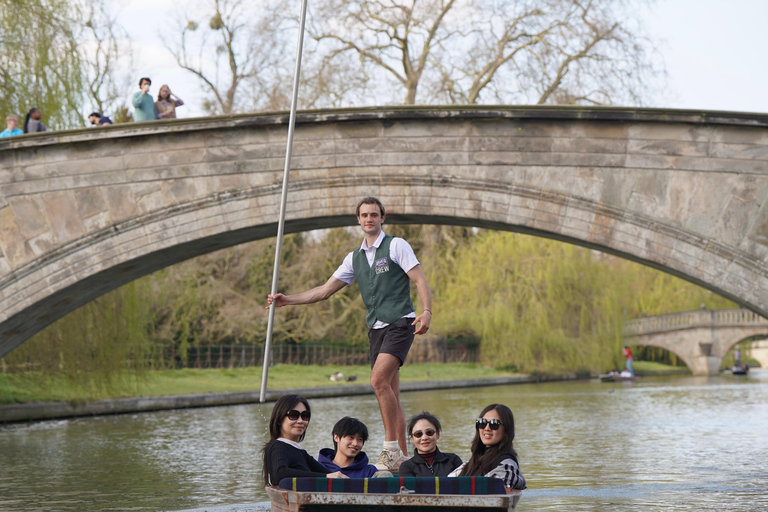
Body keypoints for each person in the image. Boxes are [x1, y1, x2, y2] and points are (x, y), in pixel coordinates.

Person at [267, 197, 432, 471]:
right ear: (358, 220)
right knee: (390, 391)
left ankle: (390, 448)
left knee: (378, 381)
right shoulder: (354, 258)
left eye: (374, 214)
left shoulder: (396, 245)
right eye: (364, 215)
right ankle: (402, 458)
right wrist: (288, 300)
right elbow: (323, 290)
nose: (369, 218)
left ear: (382, 218)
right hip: (376, 328)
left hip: (401, 322)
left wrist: (426, 311)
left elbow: (419, 279)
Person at [262, 394, 347, 486]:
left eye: (305, 416)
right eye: (294, 415)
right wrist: (326, 477)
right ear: (279, 420)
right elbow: (279, 473)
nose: (300, 421)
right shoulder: (278, 446)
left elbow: (330, 474)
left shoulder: (302, 454)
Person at [448, 404, 526, 491]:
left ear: (506, 430)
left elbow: (501, 489)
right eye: (482, 423)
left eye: (494, 424)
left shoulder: (507, 463)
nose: (487, 428)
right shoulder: (472, 462)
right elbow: (446, 483)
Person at [398, 412, 462, 477]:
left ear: (438, 434)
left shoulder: (453, 460)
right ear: (412, 438)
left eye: (429, 432)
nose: (424, 438)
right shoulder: (407, 467)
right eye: (418, 434)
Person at [318, 417, 382, 478]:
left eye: (360, 439)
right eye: (351, 437)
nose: (355, 444)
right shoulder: (318, 468)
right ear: (336, 437)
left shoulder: (369, 472)